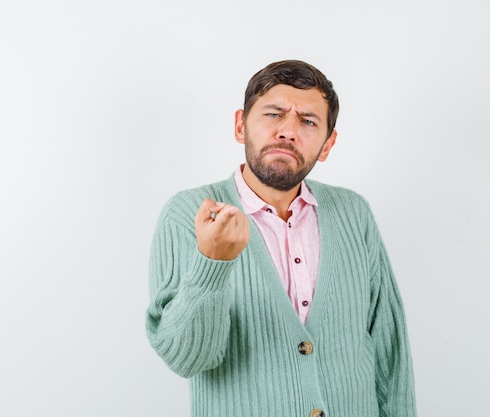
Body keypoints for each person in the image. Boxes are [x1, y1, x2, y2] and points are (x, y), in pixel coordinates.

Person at [145, 60, 416, 417]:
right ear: (241, 126)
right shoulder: (189, 213)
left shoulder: (353, 213)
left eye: (307, 121)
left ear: (327, 144)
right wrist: (212, 263)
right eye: (273, 114)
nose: (288, 131)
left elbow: (389, 349)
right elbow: (186, 358)